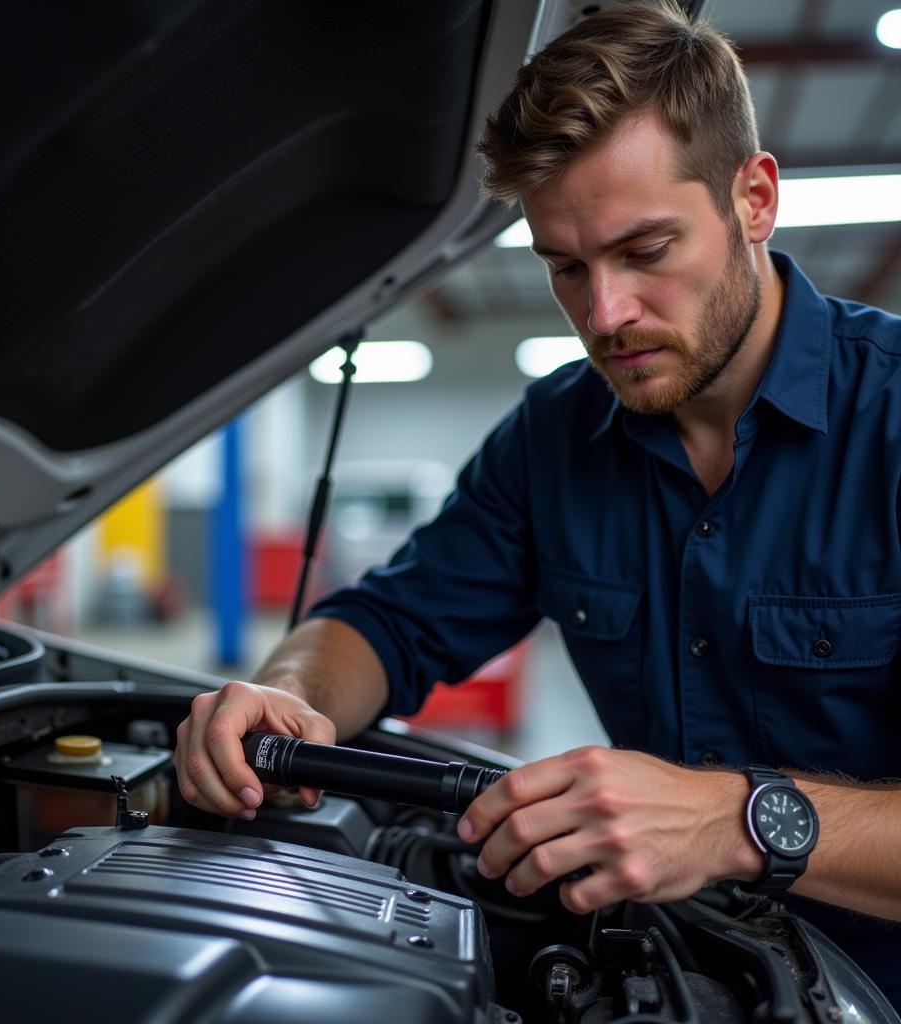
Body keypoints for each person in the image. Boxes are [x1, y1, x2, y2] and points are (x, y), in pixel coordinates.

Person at [175, 0, 901, 1002]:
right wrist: (294, 696)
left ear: (754, 199)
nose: (604, 315)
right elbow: (386, 622)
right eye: (565, 266)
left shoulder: (894, 422)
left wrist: (735, 820)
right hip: (678, 975)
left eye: (645, 250)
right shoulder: (553, 439)